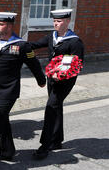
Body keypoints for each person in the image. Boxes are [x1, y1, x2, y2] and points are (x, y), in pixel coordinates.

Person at [0, 12, 46, 169]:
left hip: (8, 92)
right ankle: (7, 151)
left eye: (0, 24)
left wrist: (41, 80)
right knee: (2, 121)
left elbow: (34, 64)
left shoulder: (21, 45)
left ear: (10, 25)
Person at [30, 9, 84, 160]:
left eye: (59, 21)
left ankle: (45, 146)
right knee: (56, 107)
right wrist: (20, 45)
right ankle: (56, 140)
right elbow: (35, 44)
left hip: (65, 81)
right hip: (52, 78)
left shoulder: (74, 41)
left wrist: (61, 75)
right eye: (54, 21)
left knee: (51, 107)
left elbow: (76, 64)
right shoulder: (51, 37)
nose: (56, 23)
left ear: (67, 22)